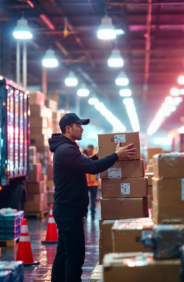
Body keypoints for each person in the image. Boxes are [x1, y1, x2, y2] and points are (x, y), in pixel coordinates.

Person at [49, 113, 136, 282]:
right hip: (69, 211)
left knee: (63, 256)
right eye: (79, 126)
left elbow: (87, 162)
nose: (82, 129)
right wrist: (116, 156)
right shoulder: (66, 150)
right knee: (74, 259)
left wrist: (105, 154)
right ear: (68, 128)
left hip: (68, 209)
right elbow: (92, 167)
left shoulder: (68, 148)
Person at [86, 144, 98, 220]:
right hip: (86, 183)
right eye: (88, 148)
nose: (89, 150)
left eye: (90, 148)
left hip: (94, 183)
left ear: (92, 149)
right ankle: (85, 213)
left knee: (93, 199)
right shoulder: (84, 157)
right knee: (85, 199)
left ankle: (92, 213)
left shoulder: (95, 157)